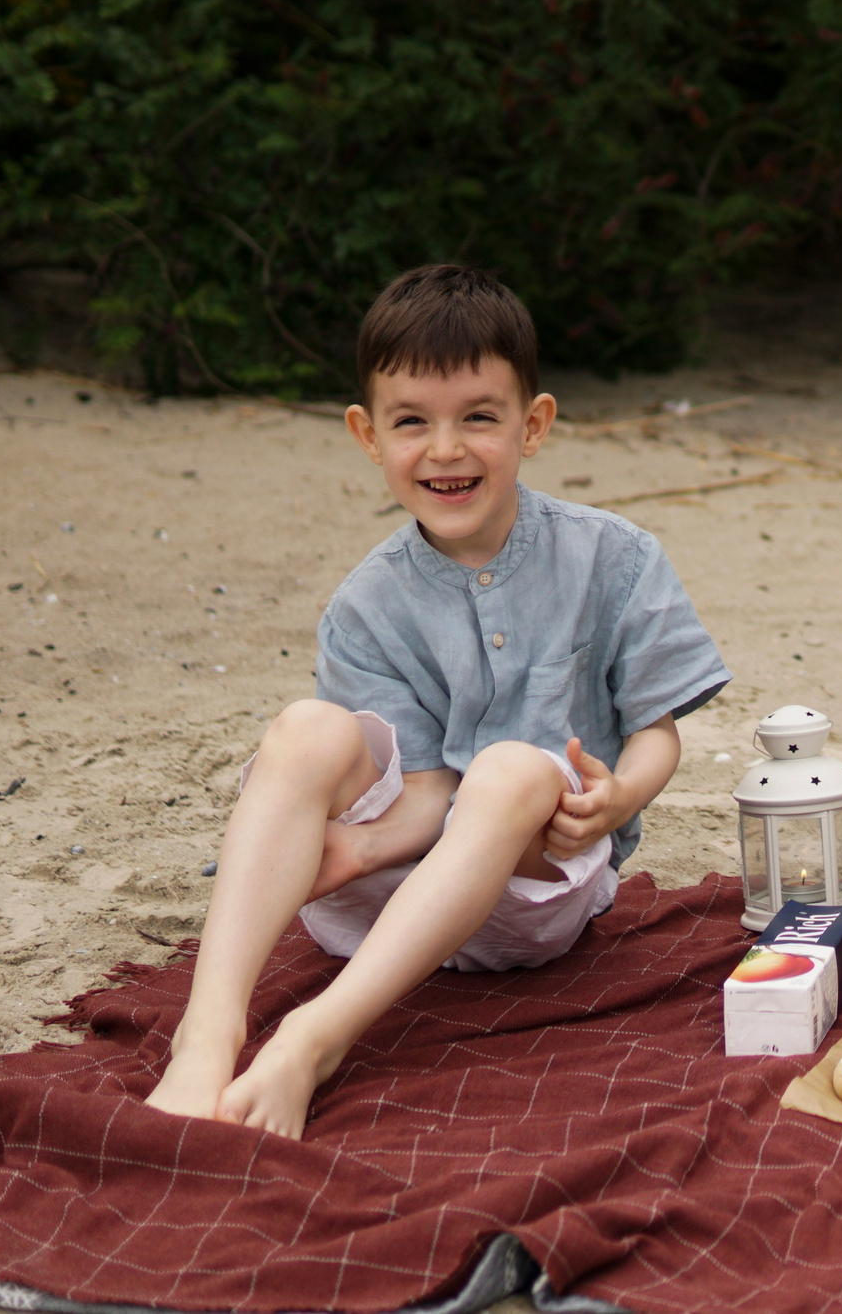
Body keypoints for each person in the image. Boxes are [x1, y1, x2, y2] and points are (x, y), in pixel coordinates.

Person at [144, 265, 729, 1138]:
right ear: (368, 435)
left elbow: (656, 731)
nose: (445, 449)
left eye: (479, 418)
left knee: (510, 767)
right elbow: (421, 786)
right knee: (305, 727)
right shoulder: (367, 602)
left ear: (533, 425)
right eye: (412, 422)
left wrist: (621, 797)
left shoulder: (615, 557)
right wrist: (356, 850)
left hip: (536, 891)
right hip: (390, 893)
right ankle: (209, 1032)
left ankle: (312, 1039)